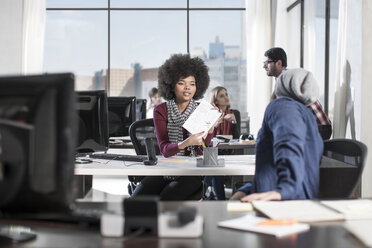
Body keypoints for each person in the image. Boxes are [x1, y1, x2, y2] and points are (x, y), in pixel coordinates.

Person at [230, 68, 324, 202]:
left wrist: (284, 190)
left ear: (281, 87)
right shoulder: (307, 116)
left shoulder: (282, 106)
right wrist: (248, 189)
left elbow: (289, 144)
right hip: (300, 202)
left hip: (282, 207)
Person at [131, 54, 215, 200]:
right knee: (135, 201)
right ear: (170, 84)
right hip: (166, 169)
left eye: (192, 83)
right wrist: (187, 142)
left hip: (191, 172)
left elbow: (204, 151)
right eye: (182, 83)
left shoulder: (202, 109)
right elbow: (164, 149)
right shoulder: (161, 110)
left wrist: (210, 132)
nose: (188, 87)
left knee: (165, 201)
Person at [263, 47, 332, 140]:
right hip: (317, 126)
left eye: (267, 63)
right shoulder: (282, 80)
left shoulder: (289, 78)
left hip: (318, 127)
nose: (264, 66)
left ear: (279, 63)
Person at [204, 86, 241, 200]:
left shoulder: (235, 113)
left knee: (214, 169)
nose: (226, 97)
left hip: (227, 151)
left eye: (226, 94)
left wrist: (234, 122)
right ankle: (219, 199)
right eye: (221, 96)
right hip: (213, 150)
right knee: (216, 170)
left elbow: (236, 137)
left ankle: (204, 194)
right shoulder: (210, 113)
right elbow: (207, 139)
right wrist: (214, 125)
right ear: (215, 101)